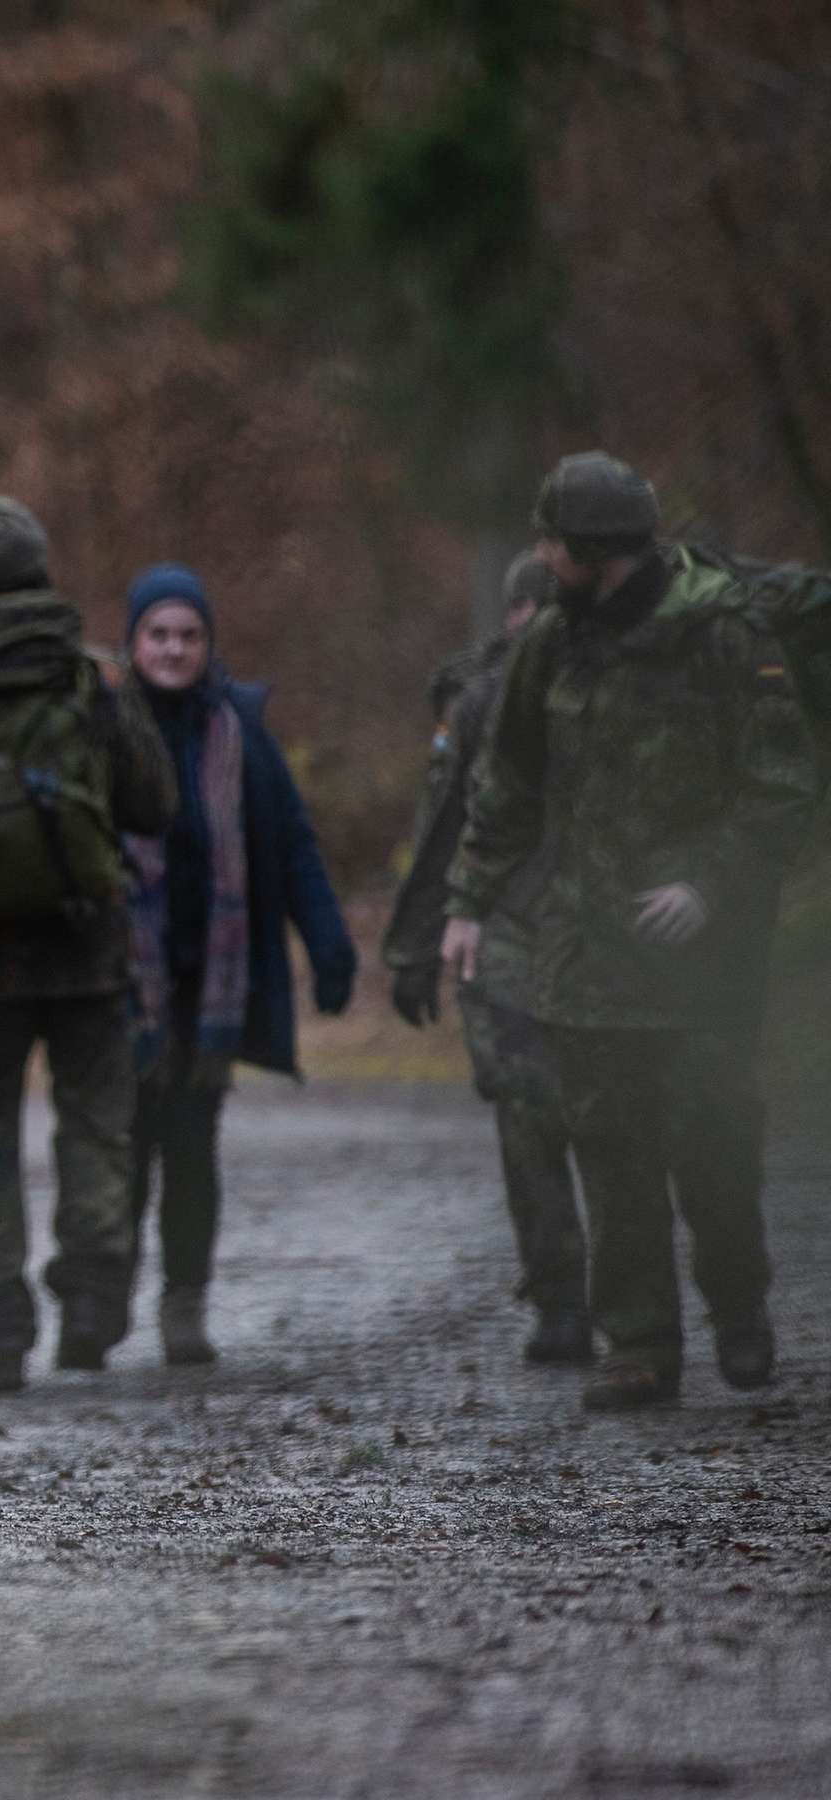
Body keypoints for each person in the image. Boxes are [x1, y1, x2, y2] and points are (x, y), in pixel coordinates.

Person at [446, 452, 817, 1410]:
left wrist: (711, 885)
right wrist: (468, 904)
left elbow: (779, 784)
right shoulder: (550, 644)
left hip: (704, 963)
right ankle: (640, 1344)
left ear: (589, 550)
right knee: (609, 1155)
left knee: (714, 1148)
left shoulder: (722, 634)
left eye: (549, 539)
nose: (538, 553)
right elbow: (508, 783)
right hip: (583, 953)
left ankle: (739, 1308)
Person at [0, 498, 174, 1394]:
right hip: (86, 942)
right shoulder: (87, 674)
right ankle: (93, 1310)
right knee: (96, 1126)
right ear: (42, 568)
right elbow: (151, 804)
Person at [115, 564, 358, 1366]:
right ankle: (101, 1301)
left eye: (189, 636)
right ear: (133, 641)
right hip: (120, 989)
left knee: (189, 1152)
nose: (175, 649)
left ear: (208, 644)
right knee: (115, 1152)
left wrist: (327, 943)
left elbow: (291, 845)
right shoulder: (101, 727)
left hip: (209, 991)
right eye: (160, 634)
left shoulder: (240, 732)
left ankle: (184, 1307)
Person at [385, 552, 589, 1364]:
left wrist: (411, 947)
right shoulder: (482, 698)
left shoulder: (502, 691)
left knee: (540, 1121)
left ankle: (574, 1301)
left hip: (524, 929)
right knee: (547, 1116)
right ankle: (582, 1301)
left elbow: (440, 828)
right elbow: (447, 826)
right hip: (515, 931)